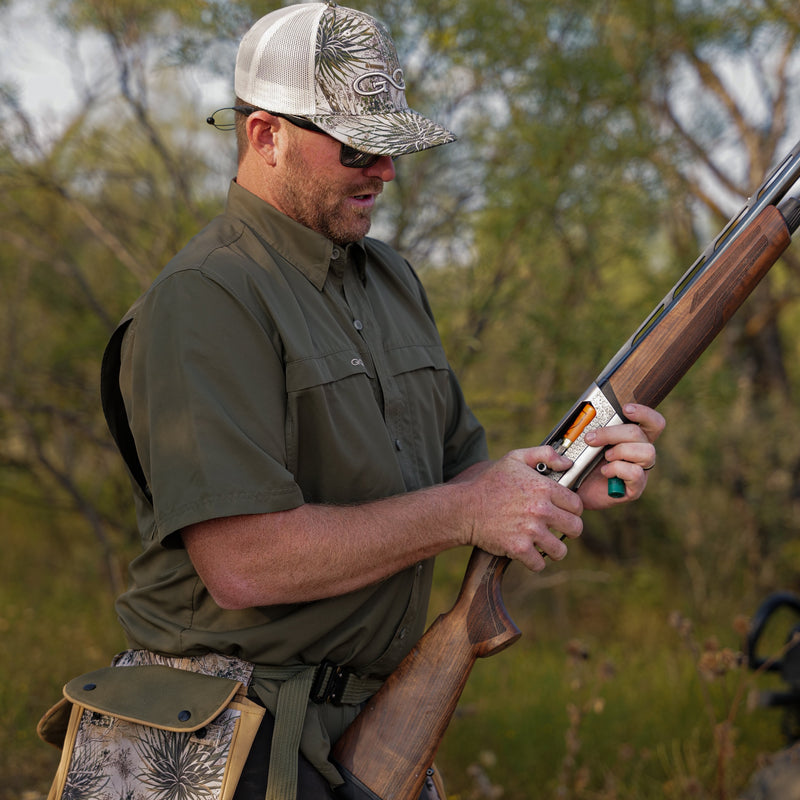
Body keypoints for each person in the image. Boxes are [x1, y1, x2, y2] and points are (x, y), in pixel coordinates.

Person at [98, 2, 665, 799]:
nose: (385, 171)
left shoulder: (391, 278)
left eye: (391, 145)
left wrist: (569, 479)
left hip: (371, 729)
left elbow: (462, 483)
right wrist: (464, 515)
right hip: (217, 736)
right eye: (359, 146)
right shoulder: (206, 297)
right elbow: (240, 563)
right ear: (266, 136)